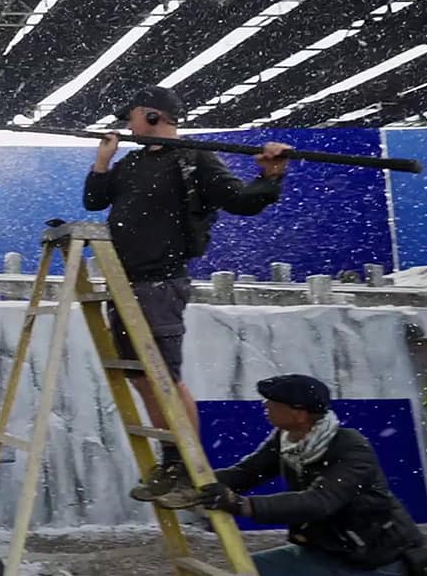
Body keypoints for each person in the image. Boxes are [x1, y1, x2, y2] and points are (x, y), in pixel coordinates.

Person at [82, 85, 291, 508]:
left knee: (163, 377)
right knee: (142, 378)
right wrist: (103, 161)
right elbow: (94, 200)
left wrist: (270, 176)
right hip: (125, 283)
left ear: (153, 116)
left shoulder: (194, 159)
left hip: (160, 283)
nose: (127, 124)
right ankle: (172, 458)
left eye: (132, 115)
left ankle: (188, 468)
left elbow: (240, 201)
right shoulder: (133, 161)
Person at [198, 374, 427, 576]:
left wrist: (243, 505)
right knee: (248, 568)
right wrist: (196, 480)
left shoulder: (351, 448)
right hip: (329, 548)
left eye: (273, 402)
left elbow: (320, 501)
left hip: (376, 558)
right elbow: (247, 473)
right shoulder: (287, 440)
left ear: (300, 413)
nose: (265, 405)